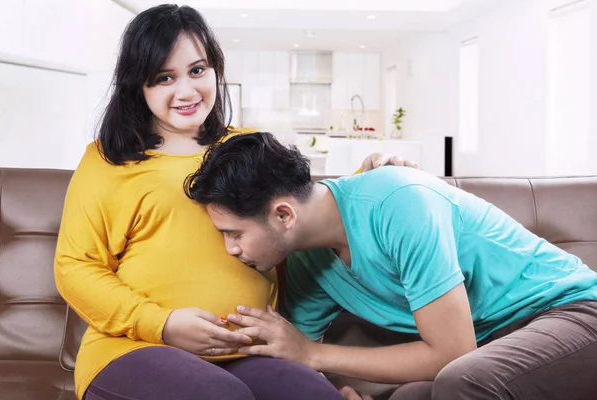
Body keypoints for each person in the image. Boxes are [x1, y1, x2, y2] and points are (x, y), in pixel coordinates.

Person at [54, 5, 411, 400]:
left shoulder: (246, 144)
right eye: (164, 77)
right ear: (137, 84)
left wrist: (370, 177)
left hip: (248, 351)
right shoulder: (108, 160)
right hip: (133, 348)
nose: (187, 91)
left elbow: (299, 209)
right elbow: (75, 267)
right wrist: (162, 323)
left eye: (198, 70)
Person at [186, 131, 597, 400]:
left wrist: (314, 355)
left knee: (463, 382)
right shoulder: (305, 262)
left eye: (234, 233)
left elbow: (453, 354)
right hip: (495, 341)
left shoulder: (399, 203)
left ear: (284, 215)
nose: (230, 249)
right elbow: (294, 357)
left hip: (572, 312)